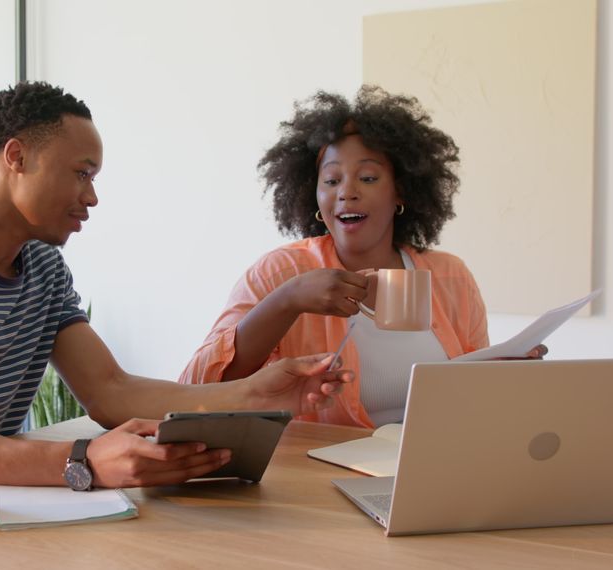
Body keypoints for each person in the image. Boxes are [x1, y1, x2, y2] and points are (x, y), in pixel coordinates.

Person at [0, 82, 351, 494]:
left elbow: (111, 390)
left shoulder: (42, 269)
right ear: (16, 157)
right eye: (82, 173)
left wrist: (251, 396)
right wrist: (83, 459)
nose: (92, 198)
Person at [179, 85, 543, 429]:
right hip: (313, 476)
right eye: (332, 180)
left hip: (426, 467)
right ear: (313, 195)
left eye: (367, 178)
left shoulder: (449, 275)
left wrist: (503, 376)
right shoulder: (282, 270)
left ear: (401, 191)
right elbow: (197, 388)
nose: (347, 192)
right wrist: (287, 301)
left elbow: (470, 402)